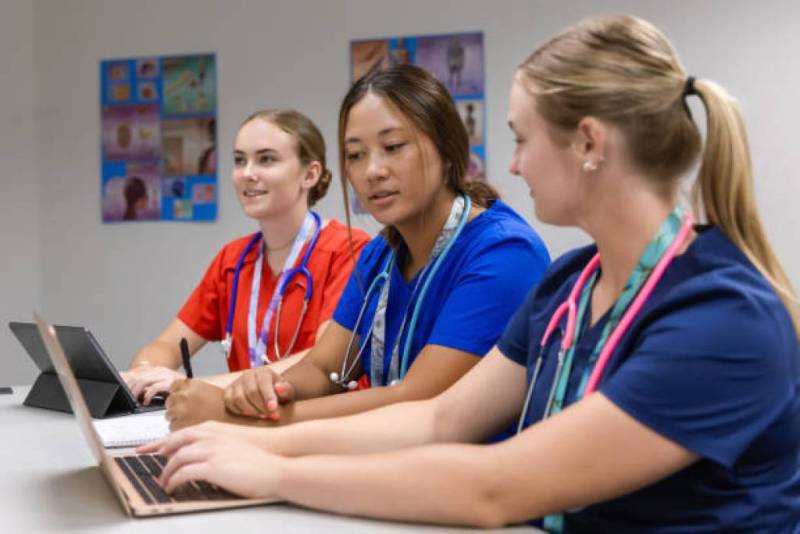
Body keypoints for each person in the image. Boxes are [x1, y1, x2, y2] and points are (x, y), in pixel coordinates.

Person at [144, 15, 799, 531]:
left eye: (521, 138)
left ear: (590, 144)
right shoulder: (568, 285)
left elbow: (497, 486)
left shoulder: (723, 317)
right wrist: (253, 446)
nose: (511, 167)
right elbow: (440, 421)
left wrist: (272, 467)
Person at [161, 64, 550, 430]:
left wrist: (242, 420)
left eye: (393, 147)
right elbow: (323, 369)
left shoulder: (503, 254)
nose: (372, 171)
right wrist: (268, 390)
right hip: (392, 471)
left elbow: (416, 400)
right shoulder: (379, 257)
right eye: (355, 155)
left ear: (447, 149)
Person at [122, 110, 371, 405]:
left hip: (326, 428)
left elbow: (323, 361)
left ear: (310, 174)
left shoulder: (349, 251)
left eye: (266, 159)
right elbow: (166, 344)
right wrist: (145, 373)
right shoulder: (234, 260)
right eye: (240, 160)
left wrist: (193, 386)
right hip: (251, 423)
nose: (247, 173)